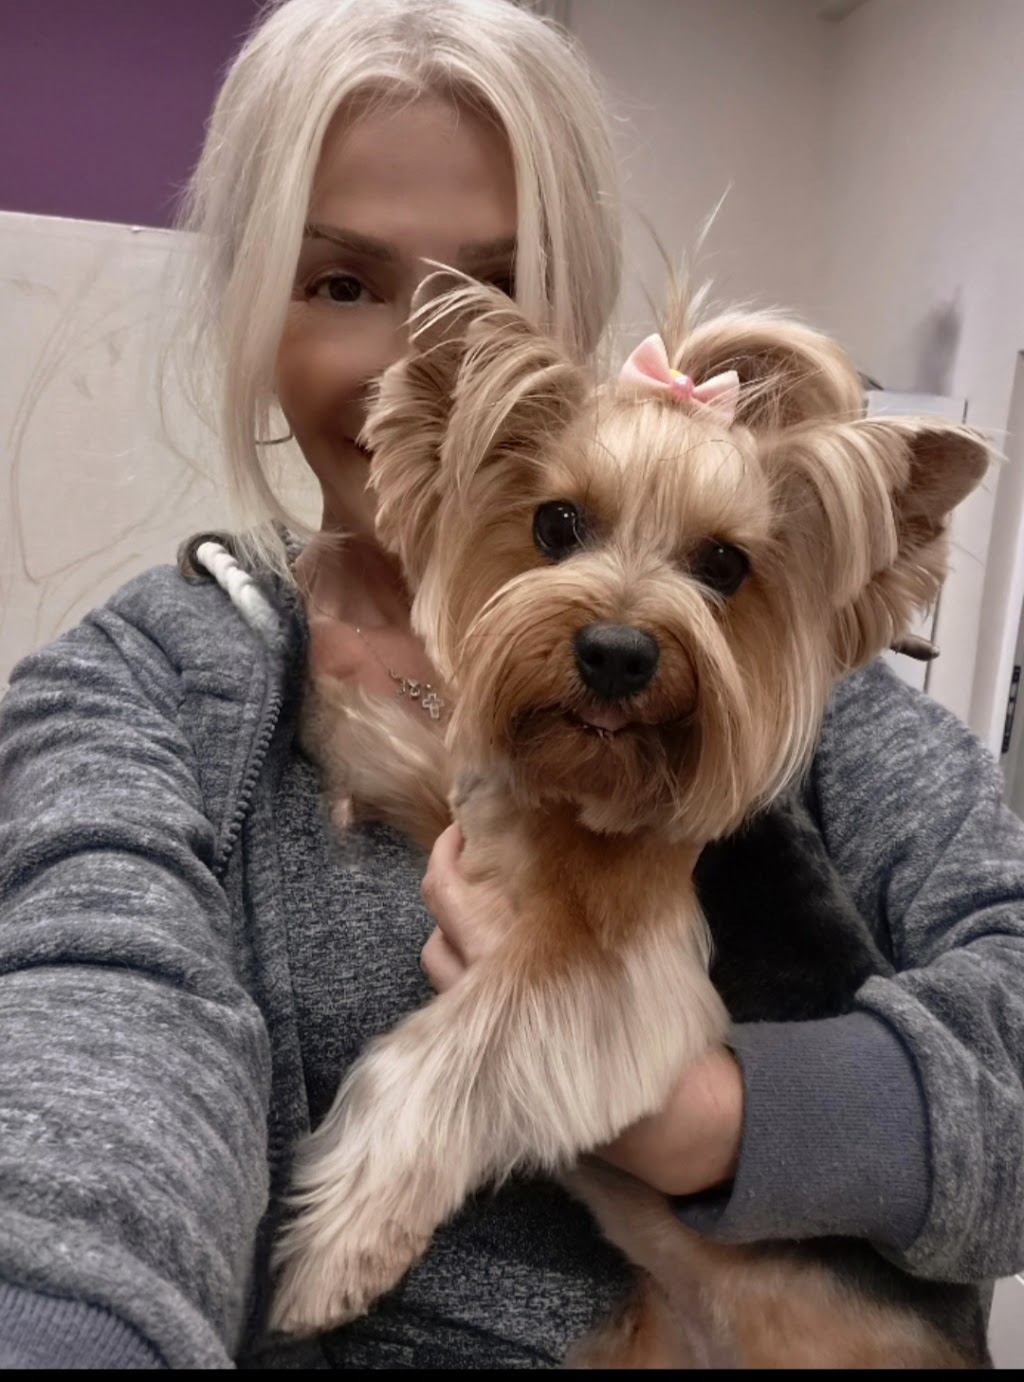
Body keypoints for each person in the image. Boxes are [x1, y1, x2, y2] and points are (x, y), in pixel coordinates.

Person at [1, 0, 1023, 1369]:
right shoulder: (145, 690)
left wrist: (719, 1120)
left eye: (494, 288)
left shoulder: (781, 694)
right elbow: (91, 1061)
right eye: (343, 284)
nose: (413, 361)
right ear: (253, 302)